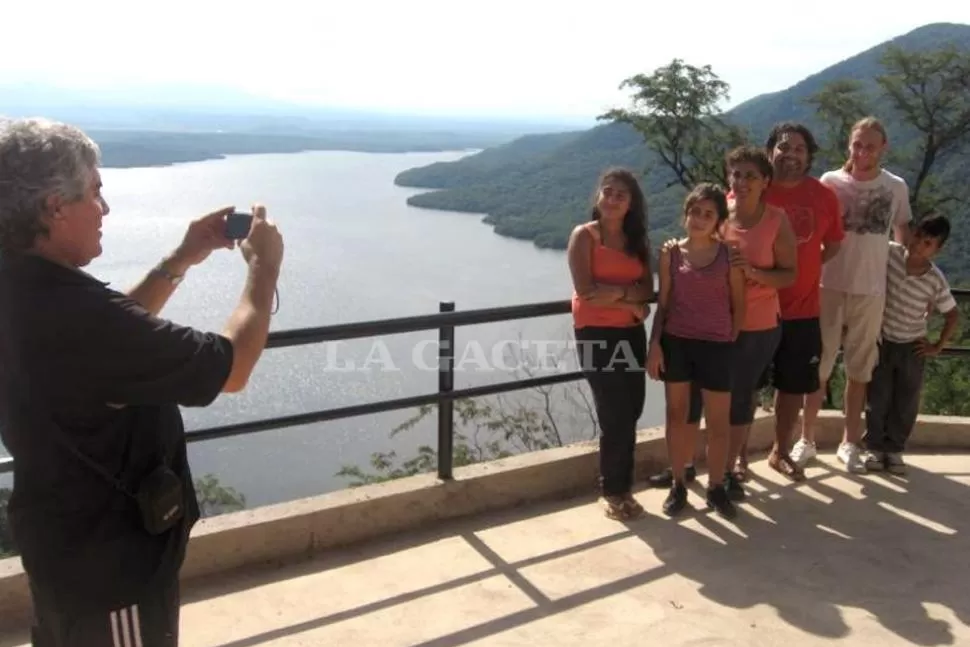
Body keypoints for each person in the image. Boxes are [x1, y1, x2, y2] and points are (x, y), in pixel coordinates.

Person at [0, 118, 284, 646]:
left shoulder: (20, 284)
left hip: (61, 543)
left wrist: (182, 258)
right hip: (112, 571)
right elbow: (232, 367)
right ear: (54, 208)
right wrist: (263, 270)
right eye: (94, 192)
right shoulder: (78, 315)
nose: (105, 209)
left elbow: (113, 338)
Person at [800, 117, 912, 473]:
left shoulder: (896, 187)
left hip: (871, 290)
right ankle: (806, 439)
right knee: (819, 366)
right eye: (857, 144)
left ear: (883, 148)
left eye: (870, 146)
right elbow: (813, 232)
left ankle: (849, 443)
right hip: (828, 285)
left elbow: (902, 237)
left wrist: (911, 282)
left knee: (859, 370)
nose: (863, 152)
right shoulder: (830, 182)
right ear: (849, 145)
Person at [646, 183, 745, 518]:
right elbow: (663, 304)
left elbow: (739, 304)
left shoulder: (728, 256)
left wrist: (729, 340)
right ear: (685, 214)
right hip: (677, 342)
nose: (700, 219)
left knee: (718, 422)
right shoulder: (670, 253)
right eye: (695, 212)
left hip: (717, 346)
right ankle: (678, 484)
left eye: (708, 214)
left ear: (718, 220)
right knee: (677, 417)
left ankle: (716, 487)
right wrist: (655, 344)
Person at [758, 122, 844, 480]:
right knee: (740, 386)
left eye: (799, 148)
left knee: (792, 386)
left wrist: (804, 269)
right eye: (783, 146)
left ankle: (780, 452)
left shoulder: (823, 196)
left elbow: (834, 244)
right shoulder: (753, 189)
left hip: (803, 309)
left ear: (809, 157)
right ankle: (735, 459)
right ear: (770, 152)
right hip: (754, 309)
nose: (790, 154)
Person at [568, 167, 653, 520]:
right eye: (608, 192)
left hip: (630, 334)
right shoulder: (585, 236)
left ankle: (624, 488)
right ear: (598, 196)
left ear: (631, 203)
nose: (613, 199)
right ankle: (612, 490)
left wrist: (617, 296)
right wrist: (629, 301)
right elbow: (586, 291)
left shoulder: (637, 241)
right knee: (614, 412)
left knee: (632, 408)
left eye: (621, 194)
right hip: (595, 334)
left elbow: (647, 291)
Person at [718, 145, 797, 499]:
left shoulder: (776, 220)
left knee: (741, 394)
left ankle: (731, 466)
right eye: (736, 174)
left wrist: (752, 272)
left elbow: (789, 274)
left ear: (766, 181)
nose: (742, 181)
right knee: (715, 393)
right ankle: (715, 462)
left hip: (759, 323)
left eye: (751, 175)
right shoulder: (718, 215)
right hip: (716, 321)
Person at [863, 214, 959, 474]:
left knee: (906, 401)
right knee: (877, 397)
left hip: (912, 347)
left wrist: (937, 346)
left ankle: (894, 449)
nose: (918, 245)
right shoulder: (891, 254)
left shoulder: (935, 279)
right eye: (917, 236)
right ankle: (874, 447)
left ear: (936, 250)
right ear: (912, 233)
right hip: (883, 340)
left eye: (928, 243)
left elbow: (952, 314)